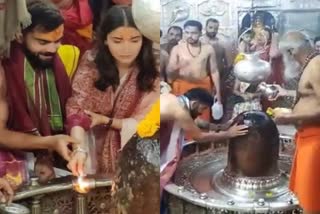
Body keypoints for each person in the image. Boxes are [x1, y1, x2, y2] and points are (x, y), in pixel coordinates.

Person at [66, 5, 159, 177]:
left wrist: (107, 121)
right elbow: (77, 110)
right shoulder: (92, 62)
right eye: (117, 40)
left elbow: (151, 122)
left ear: (144, 39)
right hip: (92, 146)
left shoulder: (154, 69)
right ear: (105, 39)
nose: (126, 48)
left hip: (137, 150)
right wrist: (78, 149)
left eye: (134, 40)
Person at [0, 0, 80, 183]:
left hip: (48, 160)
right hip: (8, 164)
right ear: (19, 35)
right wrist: (47, 144)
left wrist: (46, 155)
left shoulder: (59, 61)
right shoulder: (4, 68)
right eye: (42, 42)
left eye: (57, 41)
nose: (52, 49)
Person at [160, 88, 248, 194]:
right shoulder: (179, 110)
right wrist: (229, 134)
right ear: (195, 103)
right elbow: (199, 136)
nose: (201, 113)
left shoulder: (176, 100)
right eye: (203, 108)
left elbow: (196, 122)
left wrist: (221, 127)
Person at [270, 31, 320, 214]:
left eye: (285, 55)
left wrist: (288, 118)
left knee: (312, 199)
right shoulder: (311, 64)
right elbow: (312, 96)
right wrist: (286, 93)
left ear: (291, 51)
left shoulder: (316, 65)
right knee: (306, 195)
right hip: (306, 138)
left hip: (316, 142)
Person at [167, 20, 221, 122]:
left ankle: (201, 137)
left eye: (194, 33)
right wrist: (173, 69)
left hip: (203, 88)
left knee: (202, 119)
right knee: (182, 120)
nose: (189, 36)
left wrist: (218, 92)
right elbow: (170, 71)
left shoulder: (208, 49)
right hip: (183, 87)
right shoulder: (177, 49)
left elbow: (214, 71)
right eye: (187, 32)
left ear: (201, 33)